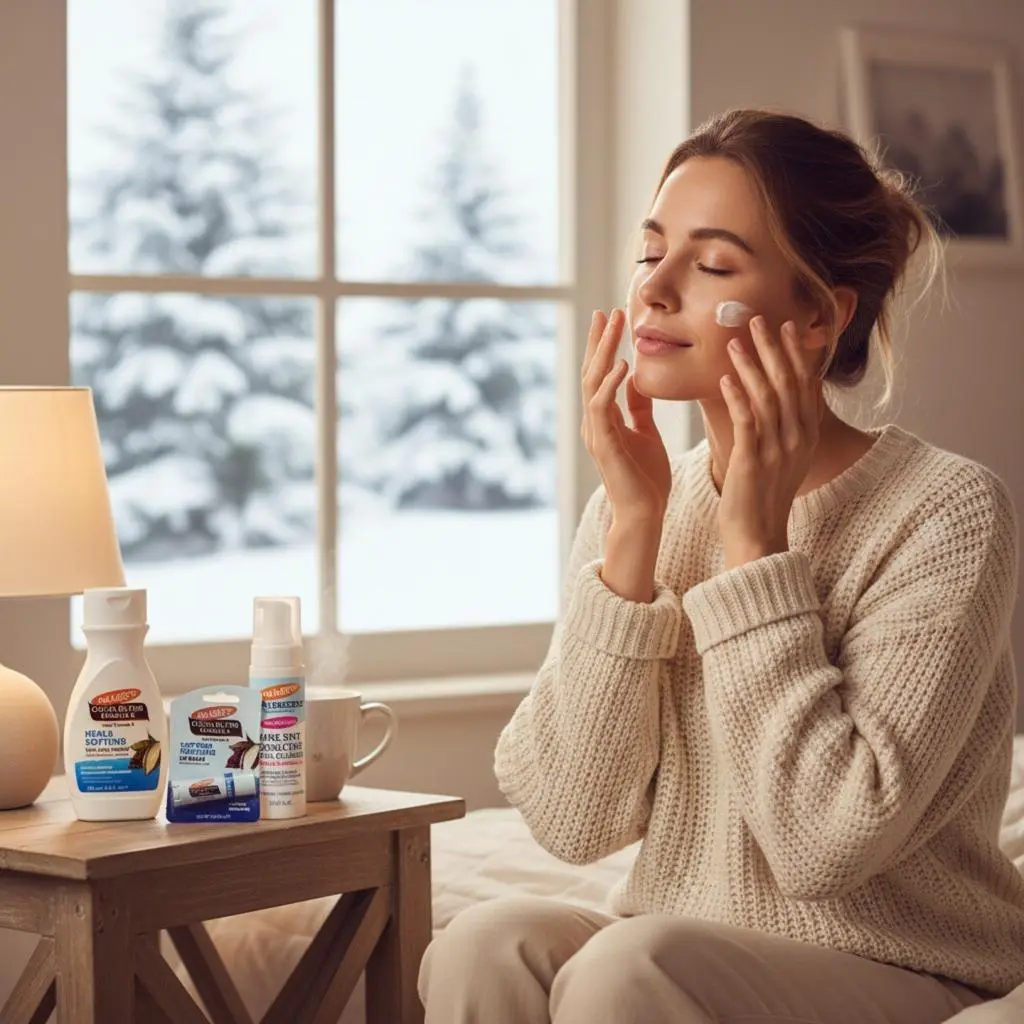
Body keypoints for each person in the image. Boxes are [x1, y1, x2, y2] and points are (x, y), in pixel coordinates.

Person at [418, 108, 1024, 1023]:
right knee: (484, 941)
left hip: (904, 964)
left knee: (630, 967)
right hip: (676, 944)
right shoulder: (645, 500)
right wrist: (631, 533)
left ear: (817, 315)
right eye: (651, 249)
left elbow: (826, 846)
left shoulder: (946, 509)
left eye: (710, 265)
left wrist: (756, 548)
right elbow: (572, 818)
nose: (654, 290)